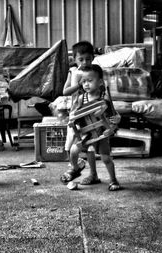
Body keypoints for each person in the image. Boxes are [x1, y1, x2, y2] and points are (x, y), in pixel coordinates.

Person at [61, 64, 121, 191]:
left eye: (90, 81)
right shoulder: (82, 98)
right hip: (85, 132)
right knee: (74, 151)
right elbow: (74, 113)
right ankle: (77, 169)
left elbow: (113, 115)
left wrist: (116, 120)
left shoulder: (104, 98)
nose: (86, 84)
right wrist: (71, 118)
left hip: (101, 132)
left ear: (99, 82)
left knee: (106, 158)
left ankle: (113, 180)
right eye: (83, 81)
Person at [61, 41, 95, 182]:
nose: (85, 62)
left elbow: (101, 88)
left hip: (91, 112)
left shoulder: (95, 72)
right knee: (70, 145)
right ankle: (75, 167)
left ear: (93, 57)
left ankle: (93, 174)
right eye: (81, 59)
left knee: (90, 145)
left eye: (88, 59)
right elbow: (65, 91)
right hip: (75, 113)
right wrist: (78, 85)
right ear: (74, 59)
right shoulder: (73, 72)